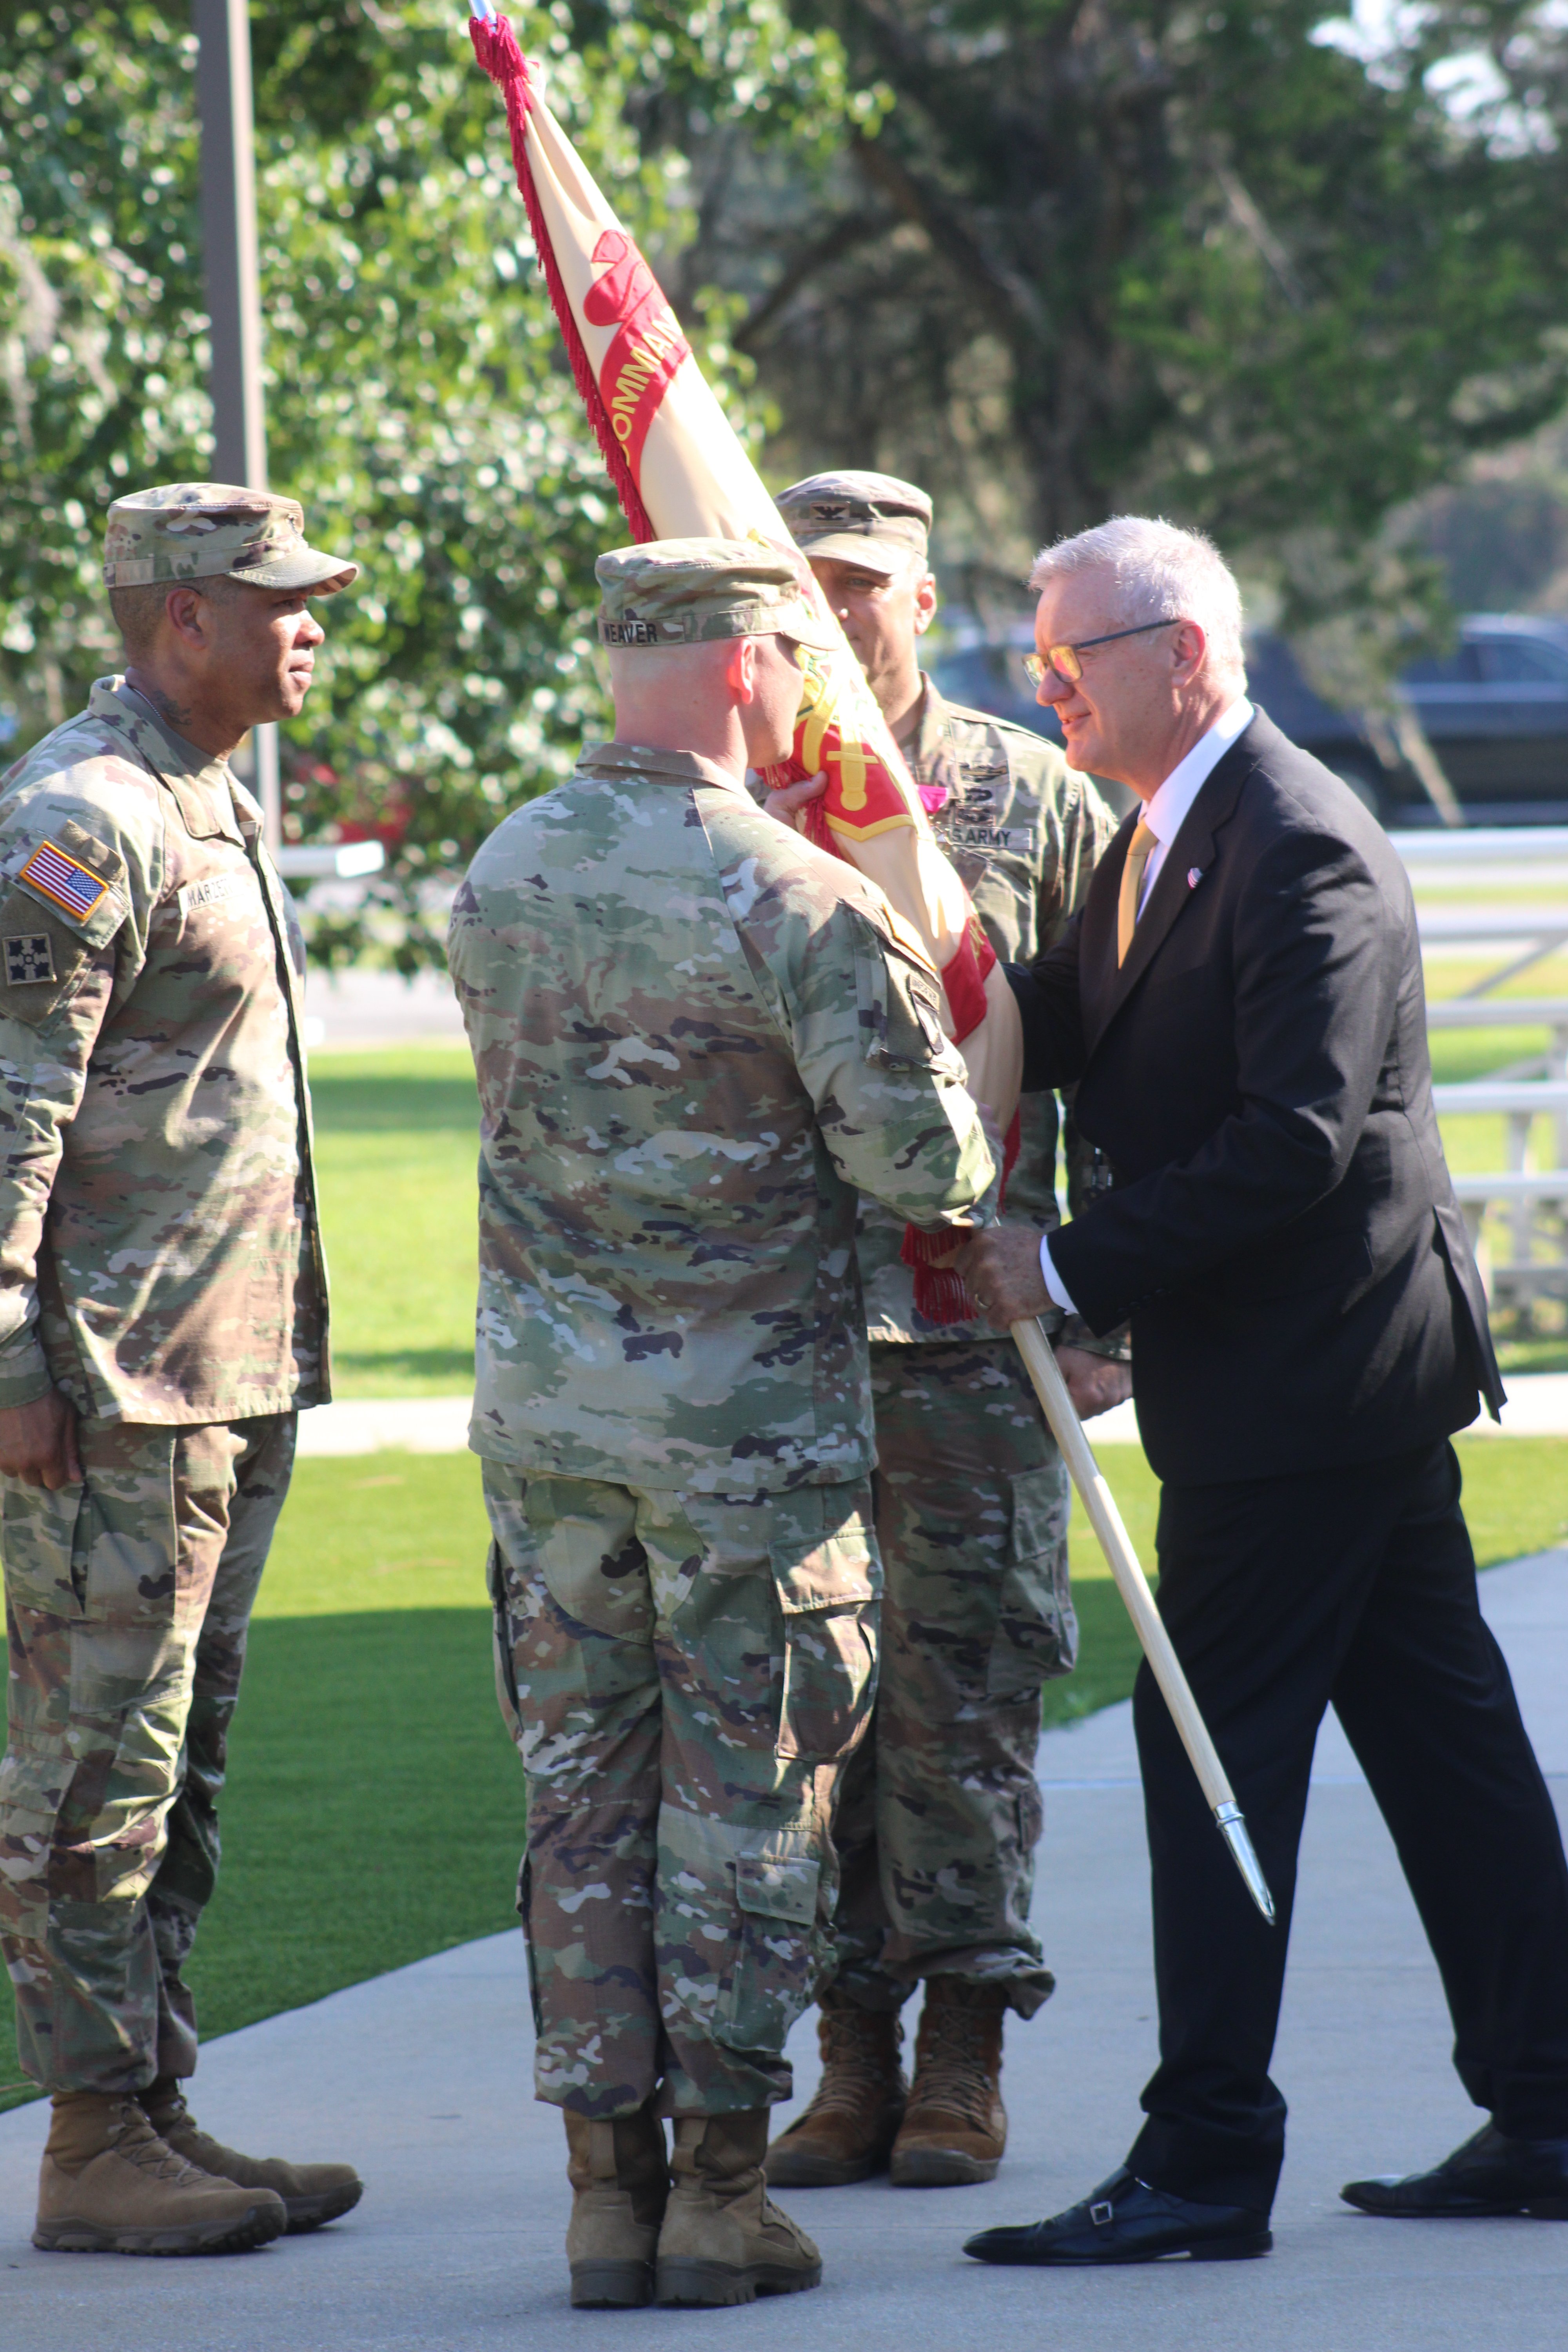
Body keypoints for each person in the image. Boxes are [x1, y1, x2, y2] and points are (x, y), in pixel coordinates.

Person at [956, 515, 1568, 2266]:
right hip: (1323, 1391)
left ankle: (1207, 2159)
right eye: (1039, 653)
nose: (1044, 682)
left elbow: (1293, 1141)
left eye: (1071, 654)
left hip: (1314, 1391)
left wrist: (1068, 1272)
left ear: (1187, 656)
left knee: (1206, 1749)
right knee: (1448, 1754)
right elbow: (1080, 1017)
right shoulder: (1156, 832)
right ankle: (1545, 2106)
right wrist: (936, 957)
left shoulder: (1299, 845)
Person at [447, 537, 1000, 2310]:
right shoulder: (796, 897)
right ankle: (718, 2195)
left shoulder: (502, 869)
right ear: (754, 664)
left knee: (582, 1808)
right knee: (748, 1806)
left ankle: (603, 2201)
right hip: (747, 1437)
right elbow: (927, 1168)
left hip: (550, 1429)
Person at [0, 484, 363, 2257]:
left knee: (178, 1765)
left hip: (221, 1372)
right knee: (89, 1772)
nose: (310, 623)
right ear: (178, 618)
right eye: (275, 597)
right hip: (107, 1391)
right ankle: (85, 2145)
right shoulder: (79, 819)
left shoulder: (198, 798)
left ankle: (149, 2105)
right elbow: (6, 1114)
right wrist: (7, 1362)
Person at [761, 471, 1125, 2194]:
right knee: (814, 1707)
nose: (831, 614)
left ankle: (965, 2054)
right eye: (800, 584)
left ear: (919, 597)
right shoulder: (743, 795)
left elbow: (1128, 1060)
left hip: (978, 1330)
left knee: (967, 1694)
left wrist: (1109, 1292)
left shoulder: (1029, 795)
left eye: (863, 586)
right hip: (786, 1330)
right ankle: (849, 2057)